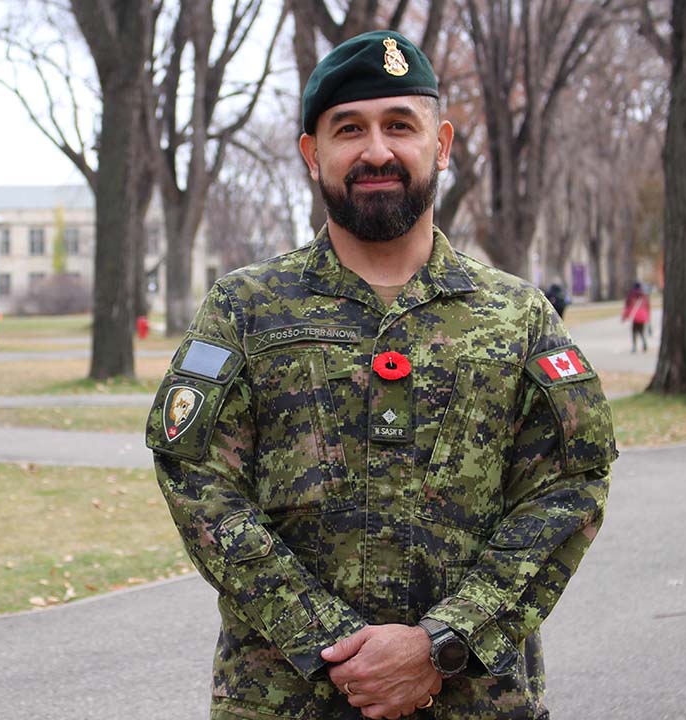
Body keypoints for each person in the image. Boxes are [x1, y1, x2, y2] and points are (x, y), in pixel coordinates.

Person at [146, 30, 616, 720]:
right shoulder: (245, 310)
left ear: (442, 144)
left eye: (401, 125)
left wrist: (444, 644)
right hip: (289, 702)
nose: (376, 151)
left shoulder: (517, 316)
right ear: (313, 153)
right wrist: (330, 640)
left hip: (477, 701)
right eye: (349, 129)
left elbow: (570, 483)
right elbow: (197, 477)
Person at [622, 281, 651, 353]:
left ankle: (634, 346)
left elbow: (627, 307)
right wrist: (648, 317)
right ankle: (644, 344)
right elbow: (648, 307)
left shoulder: (631, 295)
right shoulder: (644, 296)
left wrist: (624, 316)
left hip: (635, 317)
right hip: (643, 316)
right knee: (641, 331)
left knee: (634, 331)